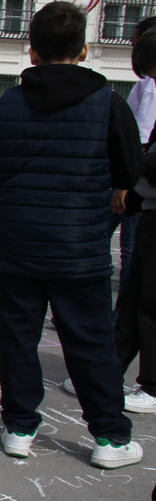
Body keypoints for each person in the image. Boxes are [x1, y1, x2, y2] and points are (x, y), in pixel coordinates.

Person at [0, 1, 143, 469]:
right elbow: (130, 170)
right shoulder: (108, 103)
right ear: (84, 50)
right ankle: (109, 436)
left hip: (19, 243)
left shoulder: (8, 103)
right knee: (91, 345)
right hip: (78, 246)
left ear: (32, 51)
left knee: (18, 339)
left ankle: (18, 427)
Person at [97, 29, 156, 415]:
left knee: (146, 299)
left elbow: (142, 142)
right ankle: (109, 373)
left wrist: (128, 177)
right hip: (145, 200)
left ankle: (150, 385)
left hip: (145, 196)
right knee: (135, 294)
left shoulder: (149, 89)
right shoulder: (147, 87)